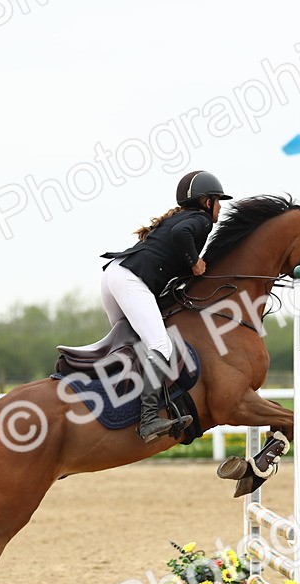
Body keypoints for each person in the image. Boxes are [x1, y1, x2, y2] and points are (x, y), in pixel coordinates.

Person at [99, 170, 232, 442]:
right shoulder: (201, 220)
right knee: (160, 346)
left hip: (114, 274)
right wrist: (195, 261)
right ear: (207, 202)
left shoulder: (179, 216)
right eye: (219, 201)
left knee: (132, 343)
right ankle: (148, 419)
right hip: (130, 280)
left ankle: (115, 401)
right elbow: (183, 235)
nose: (220, 207)